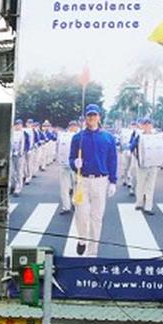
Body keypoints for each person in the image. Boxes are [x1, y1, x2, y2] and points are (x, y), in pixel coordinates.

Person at [69, 103, 117, 257]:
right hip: (82, 180)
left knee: (96, 217)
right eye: (89, 115)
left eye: (94, 115)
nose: (92, 118)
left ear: (99, 117)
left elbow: (112, 160)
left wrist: (113, 181)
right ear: (85, 118)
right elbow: (71, 157)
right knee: (81, 214)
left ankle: (92, 251)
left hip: (100, 180)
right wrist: (74, 163)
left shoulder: (108, 138)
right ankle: (82, 238)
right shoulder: (78, 138)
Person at [131, 117, 163, 215]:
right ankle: (139, 203)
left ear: (152, 125)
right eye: (145, 124)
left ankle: (148, 207)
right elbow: (131, 147)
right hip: (142, 165)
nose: (147, 126)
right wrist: (137, 156)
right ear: (142, 126)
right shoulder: (139, 136)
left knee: (150, 185)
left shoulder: (157, 136)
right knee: (140, 184)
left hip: (153, 165)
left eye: (149, 124)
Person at [56, 120, 79, 214]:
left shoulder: (80, 136)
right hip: (63, 163)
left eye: (75, 125)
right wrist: (58, 159)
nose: (73, 127)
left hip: (75, 164)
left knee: (77, 185)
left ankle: (75, 203)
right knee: (64, 186)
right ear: (69, 126)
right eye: (72, 125)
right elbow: (58, 147)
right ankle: (66, 206)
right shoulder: (62, 135)